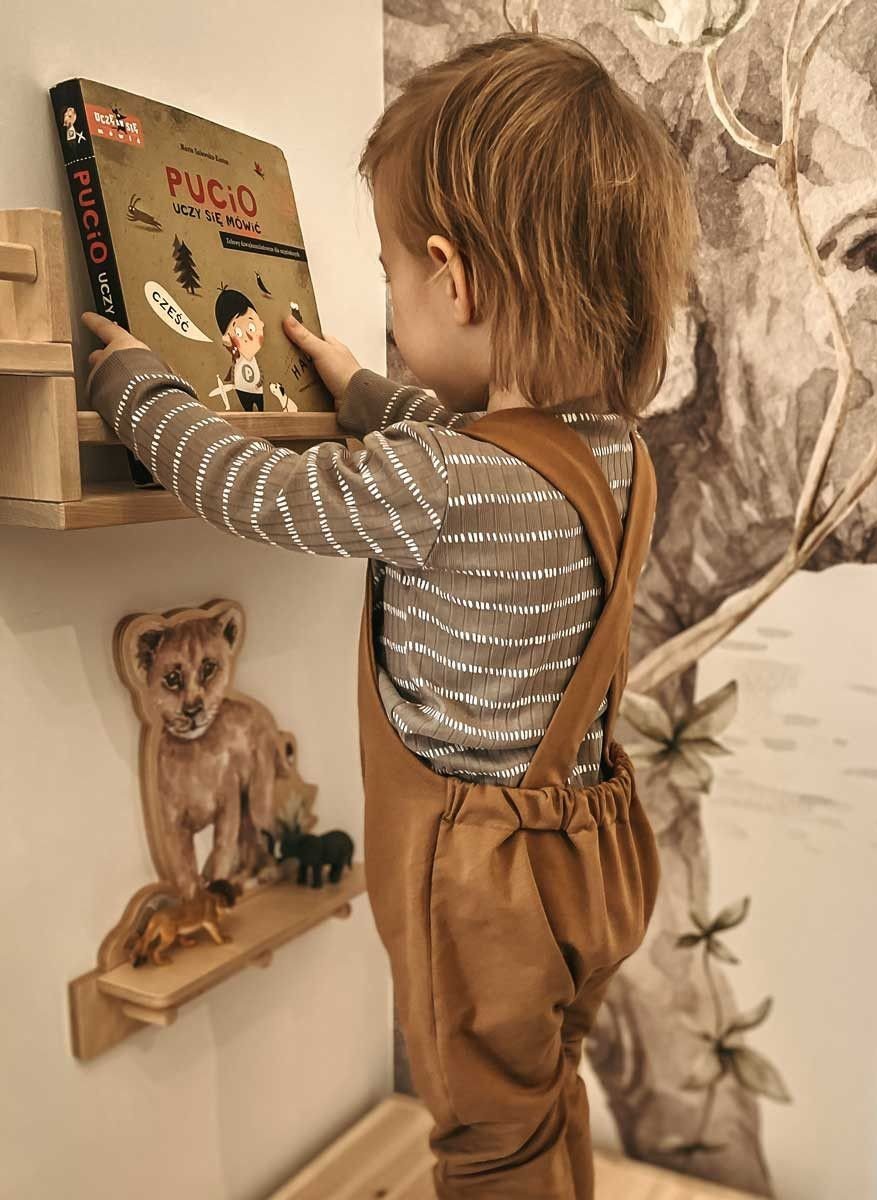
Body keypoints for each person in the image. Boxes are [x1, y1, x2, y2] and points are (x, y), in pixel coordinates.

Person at [82, 30, 698, 1199]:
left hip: (479, 891)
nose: (394, 298)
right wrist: (363, 387)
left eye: (391, 274)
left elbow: (250, 487)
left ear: (453, 279)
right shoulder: (614, 457)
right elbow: (470, 445)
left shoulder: (437, 484)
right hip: (589, 857)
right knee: (540, 1092)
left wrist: (132, 384)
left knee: (476, 1136)